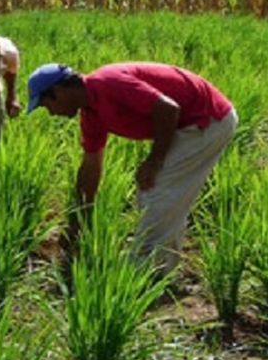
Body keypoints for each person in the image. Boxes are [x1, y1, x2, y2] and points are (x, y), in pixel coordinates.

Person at [27, 62, 237, 274]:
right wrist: (78, 222)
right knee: (153, 191)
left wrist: (154, 160)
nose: (52, 113)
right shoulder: (91, 113)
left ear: (57, 92)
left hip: (207, 119)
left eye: (46, 105)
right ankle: (158, 264)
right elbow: (91, 167)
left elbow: (167, 108)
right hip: (189, 124)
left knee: (159, 190)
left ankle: (149, 272)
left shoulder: (107, 83)